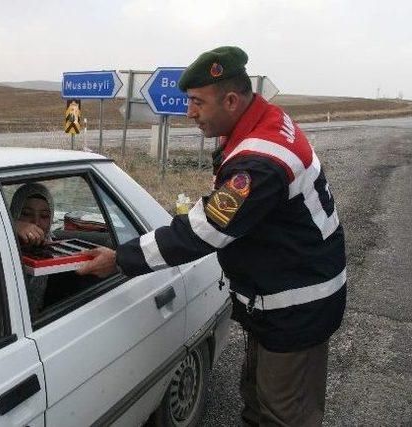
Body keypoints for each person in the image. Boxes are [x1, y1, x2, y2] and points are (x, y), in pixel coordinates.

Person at [78, 46, 346, 426]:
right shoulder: (262, 122)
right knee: (258, 402)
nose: (189, 113)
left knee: (284, 415)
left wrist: (121, 258)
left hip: (296, 305)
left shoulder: (259, 162)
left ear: (232, 100)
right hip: (281, 294)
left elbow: (205, 231)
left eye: (197, 103)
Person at [9, 183, 54, 318]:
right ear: (14, 213)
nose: (36, 222)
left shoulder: (59, 252)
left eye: (44, 216)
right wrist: (11, 226)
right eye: (26, 214)